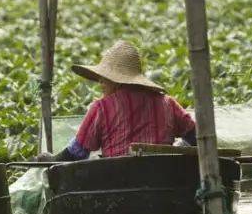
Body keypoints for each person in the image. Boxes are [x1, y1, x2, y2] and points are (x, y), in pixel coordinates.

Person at [40, 41, 196, 162]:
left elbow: (76, 153)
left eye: (104, 78)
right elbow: (195, 137)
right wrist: (180, 148)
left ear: (117, 80)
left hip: (117, 183)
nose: (100, 82)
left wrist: (51, 160)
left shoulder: (101, 108)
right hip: (164, 182)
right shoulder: (167, 103)